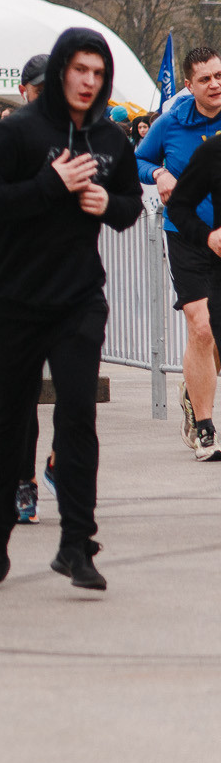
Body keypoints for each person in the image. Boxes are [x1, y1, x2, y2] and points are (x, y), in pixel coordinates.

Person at [0, 28, 142, 591]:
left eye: (98, 72)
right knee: (12, 418)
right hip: (16, 300)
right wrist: (51, 184)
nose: (88, 81)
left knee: (78, 416)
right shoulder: (19, 131)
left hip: (79, 300)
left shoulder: (113, 140)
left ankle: (77, 544)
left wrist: (106, 202)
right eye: (79, 70)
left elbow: (132, 205)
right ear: (61, 70)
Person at [134, 46, 221, 458]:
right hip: (186, 235)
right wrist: (159, 171)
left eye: (219, 75)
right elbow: (137, 158)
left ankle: (194, 385)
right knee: (200, 326)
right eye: (204, 79)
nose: (215, 84)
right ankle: (205, 427)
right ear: (189, 85)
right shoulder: (170, 124)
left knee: (214, 337)